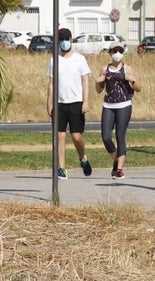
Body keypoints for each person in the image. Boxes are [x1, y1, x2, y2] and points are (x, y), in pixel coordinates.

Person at [47, 27, 92, 180]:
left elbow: (85, 81)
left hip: (76, 103)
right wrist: (49, 103)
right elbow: (51, 83)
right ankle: (61, 168)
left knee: (76, 137)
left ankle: (82, 158)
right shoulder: (54, 60)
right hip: (60, 103)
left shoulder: (80, 59)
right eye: (61, 40)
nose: (64, 42)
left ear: (71, 40)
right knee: (60, 136)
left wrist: (86, 101)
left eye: (66, 39)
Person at [96, 44, 138, 179]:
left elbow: (138, 88)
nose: (118, 53)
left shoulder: (127, 68)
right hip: (108, 105)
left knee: (120, 136)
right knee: (106, 137)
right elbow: (99, 90)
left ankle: (119, 169)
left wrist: (132, 80)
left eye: (120, 51)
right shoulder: (105, 69)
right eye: (115, 51)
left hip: (124, 105)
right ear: (110, 53)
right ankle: (115, 159)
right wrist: (99, 81)